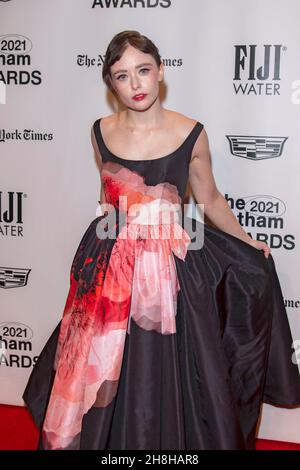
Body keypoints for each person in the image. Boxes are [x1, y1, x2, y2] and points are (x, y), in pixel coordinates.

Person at [23, 30, 300, 451]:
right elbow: (106, 198)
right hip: (110, 262)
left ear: (160, 72)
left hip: (169, 267)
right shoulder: (99, 131)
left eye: (143, 71)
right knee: (102, 363)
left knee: (167, 366)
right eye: (122, 75)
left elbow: (208, 198)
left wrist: (247, 241)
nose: (135, 84)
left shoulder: (192, 133)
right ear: (110, 83)